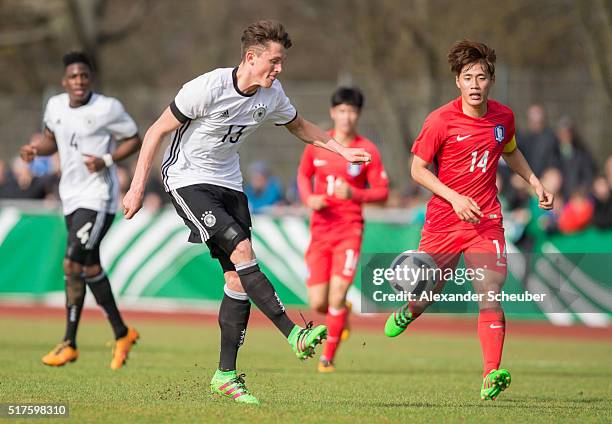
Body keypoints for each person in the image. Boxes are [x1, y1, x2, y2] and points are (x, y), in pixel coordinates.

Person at [122, 20, 371, 405]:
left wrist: (342, 150)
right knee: (242, 252)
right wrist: (137, 187)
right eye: (274, 62)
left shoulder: (272, 94)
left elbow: (301, 126)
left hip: (229, 183)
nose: (279, 69)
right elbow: (155, 131)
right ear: (251, 58)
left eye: (282, 62)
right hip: (188, 179)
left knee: (237, 280)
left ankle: (225, 375)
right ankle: (294, 333)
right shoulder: (207, 88)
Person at [383, 40, 553, 401]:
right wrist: (454, 197)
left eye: (481, 77)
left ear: (491, 80)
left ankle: (491, 373)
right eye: (467, 77)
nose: (474, 84)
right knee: (427, 292)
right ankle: (409, 310)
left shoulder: (503, 117)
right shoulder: (440, 120)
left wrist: (535, 182)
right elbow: (417, 169)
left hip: (486, 220)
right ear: (457, 82)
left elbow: (509, 150)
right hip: (444, 221)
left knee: (490, 289)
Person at [19, 51, 142, 370]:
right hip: (70, 196)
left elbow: (134, 139)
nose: (79, 81)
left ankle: (69, 343)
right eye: (73, 76)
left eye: (84, 76)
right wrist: (35, 149)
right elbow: (52, 140)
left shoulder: (107, 108)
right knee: (88, 268)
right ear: (65, 81)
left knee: (72, 260)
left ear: (91, 79)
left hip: (98, 196)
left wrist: (107, 160)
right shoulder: (56, 105)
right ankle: (122, 332)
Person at [297, 87, 388, 372]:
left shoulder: (367, 150)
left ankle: (328, 358)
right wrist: (309, 198)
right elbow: (303, 175)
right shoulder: (318, 143)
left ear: (358, 115)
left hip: (349, 230)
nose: (346, 117)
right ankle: (342, 315)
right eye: (342, 111)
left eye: (352, 111)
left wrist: (354, 194)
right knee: (318, 302)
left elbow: (382, 193)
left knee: (337, 295)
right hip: (320, 230)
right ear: (332, 112)